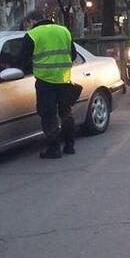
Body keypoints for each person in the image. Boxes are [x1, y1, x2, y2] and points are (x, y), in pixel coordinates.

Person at [19, 11, 78, 158]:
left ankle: (54, 149)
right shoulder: (64, 31)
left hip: (45, 82)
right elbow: (73, 54)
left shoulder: (32, 34)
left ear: (32, 21)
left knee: (48, 115)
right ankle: (70, 145)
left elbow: (23, 60)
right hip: (64, 79)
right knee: (66, 112)